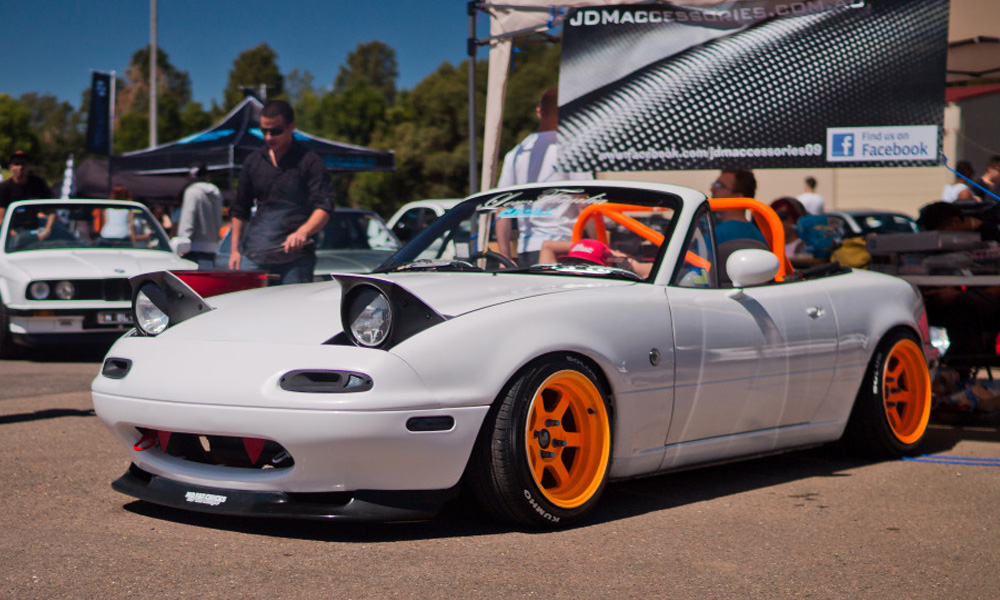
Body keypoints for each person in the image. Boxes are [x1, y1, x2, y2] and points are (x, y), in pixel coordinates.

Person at [229, 100, 334, 284]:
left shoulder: (309, 161)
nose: (269, 137)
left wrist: (303, 232)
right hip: (256, 254)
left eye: (275, 131)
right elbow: (240, 209)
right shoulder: (253, 162)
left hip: (295, 259)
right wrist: (234, 250)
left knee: (291, 311)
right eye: (264, 131)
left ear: (291, 127)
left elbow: (324, 206)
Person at [494, 88, 592, 266]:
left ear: (540, 112)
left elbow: (502, 208)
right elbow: (584, 203)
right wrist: (597, 246)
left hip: (527, 248)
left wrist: (505, 257)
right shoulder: (571, 148)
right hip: (564, 246)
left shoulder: (516, 153)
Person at [177, 163, 223, 269]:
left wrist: (182, 244)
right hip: (213, 248)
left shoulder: (192, 191)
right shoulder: (216, 192)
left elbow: (188, 220)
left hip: (193, 249)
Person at [710, 169, 766, 245]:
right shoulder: (758, 235)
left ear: (738, 197)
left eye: (720, 186)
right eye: (715, 184)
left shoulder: (717, 234)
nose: (712, 189)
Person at [0, 151, 51, 222]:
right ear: (10, 167)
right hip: (13, 229)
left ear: (29, 166)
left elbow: (51, 210)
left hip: (36, 228)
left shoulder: (38, 183)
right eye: (16, 164)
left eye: (23, 164)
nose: (20, 167)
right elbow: (1, 217)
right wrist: (10, 232)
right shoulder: (4, 188)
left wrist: (47, 229)